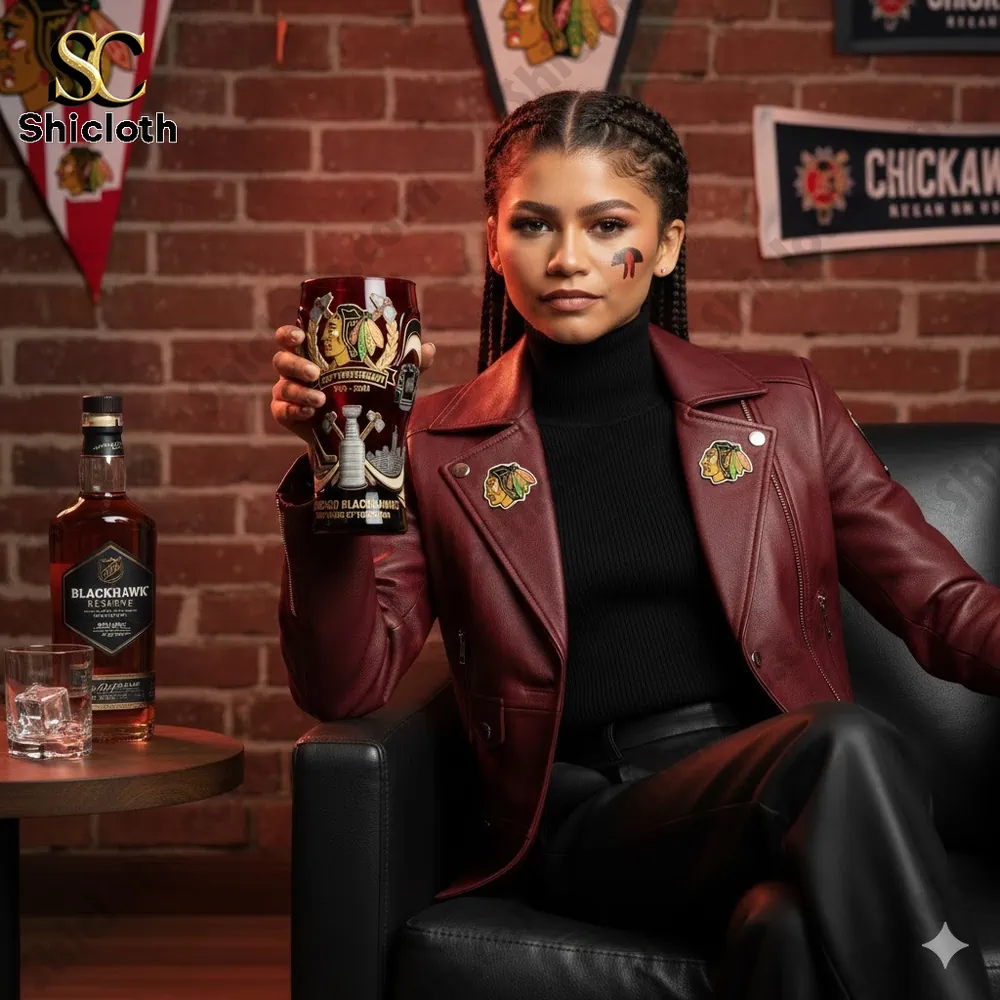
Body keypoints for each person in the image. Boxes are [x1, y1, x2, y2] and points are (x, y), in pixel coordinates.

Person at [270, 89, 1000, 999]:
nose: (568, 258)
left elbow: (943, 606)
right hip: (590, 817)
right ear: (495, 243)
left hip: (781, 785)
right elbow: (346, 684)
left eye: (606, 223)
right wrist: (337, 474)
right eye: (534, 224)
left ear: (665, 246)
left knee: (779, 927)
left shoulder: (784, 407)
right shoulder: (433, 444)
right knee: (844, 745)